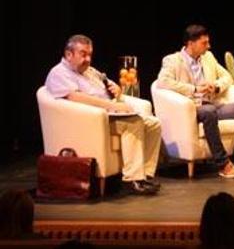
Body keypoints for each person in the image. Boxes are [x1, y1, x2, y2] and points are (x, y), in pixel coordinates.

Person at [44, 35, 161, 195]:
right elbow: (76, 97)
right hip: (89, 121)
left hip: (107, 116)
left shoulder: (90, 71)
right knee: (133, 123)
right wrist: (112, 105)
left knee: (153, 123)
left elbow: (106, 87)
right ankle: (133, 180)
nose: (88, 59)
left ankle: (145, 174)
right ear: (69, 54)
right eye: (83, 54)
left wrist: (116, 92)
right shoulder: (59, 73)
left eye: (90, 54)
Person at [157, 24, 234, 178]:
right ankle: (223, 163)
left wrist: (216, 87)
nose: (208, 46)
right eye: (204, 43)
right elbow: (163, 82)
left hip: (213, 105)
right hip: (191, 107)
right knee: (209, 111)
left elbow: (227, 77)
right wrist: (194, 89)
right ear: (191, 43)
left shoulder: (208, 57)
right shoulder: (173, 60)